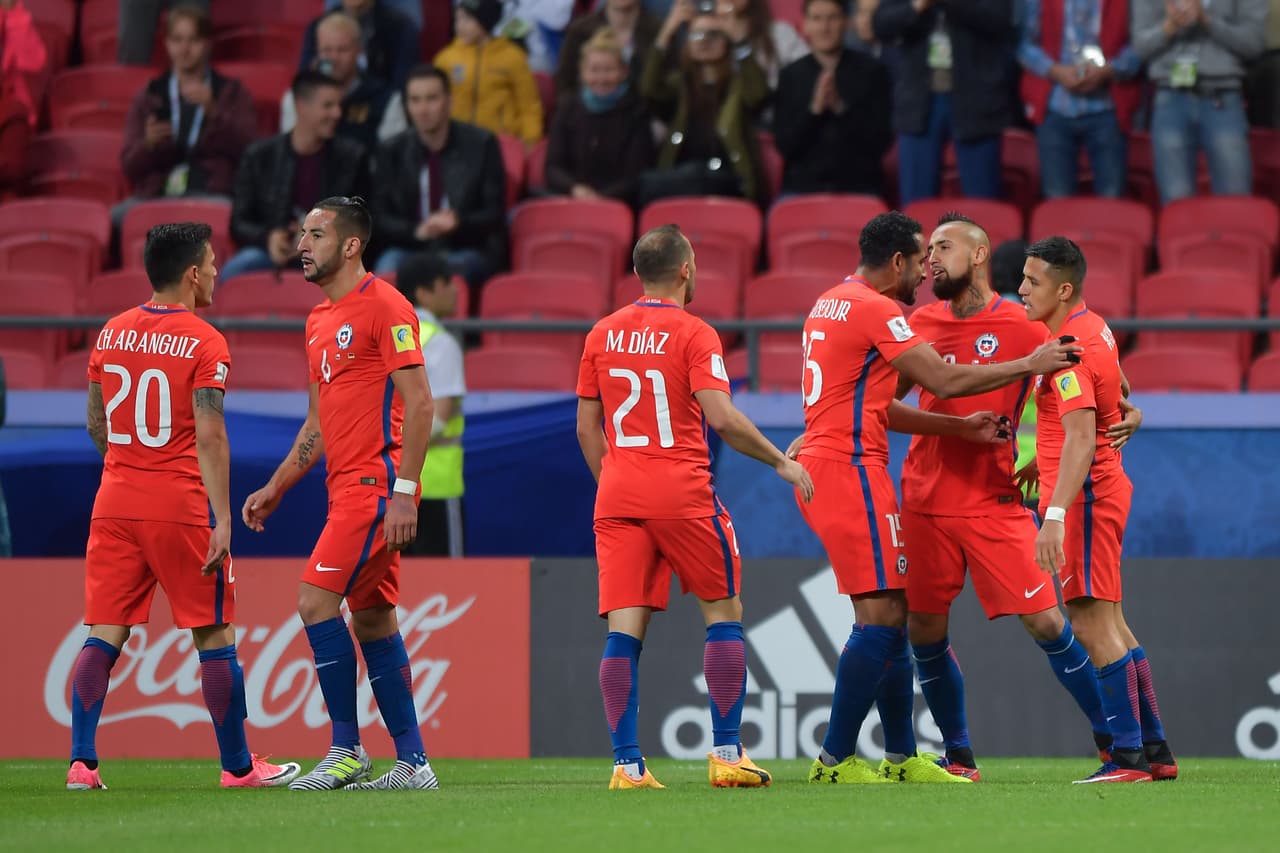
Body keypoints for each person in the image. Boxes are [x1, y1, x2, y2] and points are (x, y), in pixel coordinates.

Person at [793, 211, 1079, 784]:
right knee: (881, 618)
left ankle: (900, 757)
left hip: (845, 462)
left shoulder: (828, 302)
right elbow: (942, 383)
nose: (924, 272)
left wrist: (959, 429)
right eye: (921, 257)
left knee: (894, 615)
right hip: (852, 468)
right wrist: (1028, 363)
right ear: (896, 261)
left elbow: (879, 402)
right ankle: (833, 759)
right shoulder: (881, 310)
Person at [895, 214, 1143, 780]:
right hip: (925, 501)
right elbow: (884, 407)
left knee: (1050, 624)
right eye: (927, 249)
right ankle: (959, 757)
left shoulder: (1024, 322)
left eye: (945, 247)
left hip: (995, 499)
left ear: (979, 255)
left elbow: (1105, 376)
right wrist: (955, 429)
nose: (931, 258)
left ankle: (1113, 743)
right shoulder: (919, 322)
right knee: (925, 633)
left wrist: (1128, 407)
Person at [575, 223, 814, 790]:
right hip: (682, 492)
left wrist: (615, 483)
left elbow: (587, 427)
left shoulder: (601, 333)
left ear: (638, 273)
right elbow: (723, 418)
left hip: (618, 493)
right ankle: (727, 754)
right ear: (686, 269)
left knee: (623, 630)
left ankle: (627, 766)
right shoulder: (695, 334)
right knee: (723, 614)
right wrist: (780, 461)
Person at [69, 222, 300, 791]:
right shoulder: (204, 340)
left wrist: (128, 466)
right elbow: (210, 435)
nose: (219, 272)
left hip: (115, 500)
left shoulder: (111, 333)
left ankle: (81, 763)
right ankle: (240, 768)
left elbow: (97, 421)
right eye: (214, 263)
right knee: (214, 634)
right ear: (193, 272)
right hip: (177, 504)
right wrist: (222, 517)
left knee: (104, 631)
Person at [242, 197, 439, 791]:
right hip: (342, 487)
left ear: (351, 245)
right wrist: (277, 485)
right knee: (374, 619)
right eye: (302, 232)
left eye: (316, 234)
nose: (303, 244)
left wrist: (404, 492)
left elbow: (423, 401)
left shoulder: (386, 305)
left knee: (313, 601)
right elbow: (317, 424)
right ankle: (414, 764)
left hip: (374, 488)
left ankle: (346, 751)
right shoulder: (318, 321)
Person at [1017, 236, 1177, 783]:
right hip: (1101, 488)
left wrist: (1054, 515)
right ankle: (1155, 751)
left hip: (1084, 497)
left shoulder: (1068, 348)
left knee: (1089, 623)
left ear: (1063, 289)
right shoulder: (1096, 327)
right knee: (1113, 622)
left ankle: (1127, 758)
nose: (1021, 289)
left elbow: (1082, 439)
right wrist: (1044, 458)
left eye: (1032, 281)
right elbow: (1115, 397)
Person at [223, 71, 371, 282]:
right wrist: (269, 237)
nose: (337, 113)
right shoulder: (259, 156)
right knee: (236, 270)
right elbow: (238, 223)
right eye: (328, 106)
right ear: (301, 106)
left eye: (339, 106)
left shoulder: (352, 158)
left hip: (330, 256)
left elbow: (363, 222)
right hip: (273, 253)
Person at [116, 4, 256, 227]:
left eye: (193, 40)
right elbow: (129, 166)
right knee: (115, 219)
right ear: (166, 43)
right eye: (177, 40)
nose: (185, 49)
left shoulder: (230, 92)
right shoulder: (148, 95)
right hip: (156, 196)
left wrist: (214, 114)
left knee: (230, 215)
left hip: (210, 195)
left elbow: (249, 152)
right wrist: (149, 145)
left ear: (208, 43)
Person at [371, 65, 507, 289]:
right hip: (411, 246)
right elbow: (380, 217)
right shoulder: (391, 151)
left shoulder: (482, 145)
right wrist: (417, 231)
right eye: (415, 100)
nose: (423, 109)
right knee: (387, 266)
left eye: (431, 99)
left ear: (449, 102)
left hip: (464, 246)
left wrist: (458, 222)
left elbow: (494, 212)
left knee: (447, 271)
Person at [872, 0, 1014, 206]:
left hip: (976, 103)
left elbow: (1001, 20)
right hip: (919, 104)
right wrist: (917, 6)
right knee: (916, 207)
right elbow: (881, 25)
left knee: (983, 204)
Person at [1131, 0, 1267, 204]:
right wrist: (1170, 26)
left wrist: (1207, 20)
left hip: (1223, 98)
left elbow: (1254, 44)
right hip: (1170, 98)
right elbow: (1140, 48)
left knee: (1235, 199)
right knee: (1175, 203)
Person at [639, 7, 769, 204]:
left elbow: (759, 95)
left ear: (727, 40)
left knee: (699, 176)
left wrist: (741, 42)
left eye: (714, 34)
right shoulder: (679, 84)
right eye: (697, 34)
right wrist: (667, 32)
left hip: (729, 181)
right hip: (679, 181)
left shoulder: (739, 84)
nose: (704, 41)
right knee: (654, 183)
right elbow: (648, 89)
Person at [1018, 0, 1142, 198]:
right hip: (1055, 108)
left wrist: (1108, 70)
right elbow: (1024, 46)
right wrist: (1056, 71)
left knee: (1112, 201)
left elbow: (1139, 46)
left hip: (1108, 109)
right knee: (1057, 201)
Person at [773, 0, 893, 197]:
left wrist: (840, 108)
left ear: (847, 22)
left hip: (860, 187)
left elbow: (880, 143)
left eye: (832, 18)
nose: (824, 27)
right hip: (801, 189)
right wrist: (814, 111)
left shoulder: (872, 72)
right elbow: (784, 145)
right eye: (817, 19)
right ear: (805, 25)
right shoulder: (790, 75)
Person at [397, 252, 467, 558]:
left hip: (393, 484)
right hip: (435, 486)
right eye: (446, 282)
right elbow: (437, 421)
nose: (455, 289)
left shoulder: (391, 337)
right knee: (444, 583)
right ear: (424, 292)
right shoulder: (440, 343)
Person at [544, 27, 656, 205]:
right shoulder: (568, 108)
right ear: (582, 72)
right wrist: (575, 189)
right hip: (571, 199)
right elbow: (553, 167)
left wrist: (599, 199)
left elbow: (636, 176)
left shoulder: (637, 111)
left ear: (624, 72)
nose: (601, 78)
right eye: (594, 70)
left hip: (619, 205)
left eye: (609, 70)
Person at [281, 11, 406, 152]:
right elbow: (290, 153)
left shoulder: (386, 98)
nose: (334, 58)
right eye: (327, 50)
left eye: (342, 50)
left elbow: (394, 159)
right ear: (317, 52)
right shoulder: (298, 97)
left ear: (359, 51)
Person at [434, 0, 545, 146]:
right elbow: (435, 103)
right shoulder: (445, 59)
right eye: (457, 19)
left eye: (467, 19)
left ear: (485, 21)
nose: (460, 26)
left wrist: (530, 142)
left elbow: (529, 107)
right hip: (456, 143)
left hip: (501, 145)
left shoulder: (513, 57)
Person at [300, 0, 421, 91]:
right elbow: (304, 83)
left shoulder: (400, 28)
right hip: (327, 103)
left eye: (342, 49)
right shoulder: (317, 27)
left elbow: (402, 86)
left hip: (378, 109)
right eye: (327, 49)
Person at [555, 0, 662, 98]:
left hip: (644, 114)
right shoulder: (579, 31)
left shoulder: (660, 32)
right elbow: (565, 85)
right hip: (586, 114)